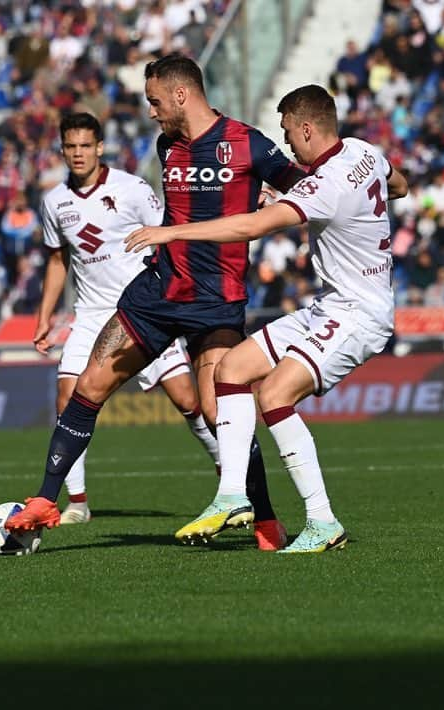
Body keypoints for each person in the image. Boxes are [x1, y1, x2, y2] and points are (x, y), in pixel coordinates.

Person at [5, 53, 307, 551]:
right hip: (158, 292)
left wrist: (281, 204)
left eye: (155, 100)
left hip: (217, 300)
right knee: (89, 385)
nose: (151, 111)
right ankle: (45, 499)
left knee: (216, 409)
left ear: (181, 94)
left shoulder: (248, 144)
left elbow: (305, 189)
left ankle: (266, 520)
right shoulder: (167, 145)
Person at [124, 84, 409, 553]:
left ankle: (322, 522)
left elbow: (251, 227)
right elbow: (399, 185)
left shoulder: (327, 183)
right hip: (331, 305)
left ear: (306, 128)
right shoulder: (364, 152)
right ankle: (233, 495)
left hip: (359, 314)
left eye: (289, 134)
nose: (288, 146)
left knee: (275, 395)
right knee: (232, 370)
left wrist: (171, 231)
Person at [33, 112, 221, 525]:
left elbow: (170, 235)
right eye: (71, 147)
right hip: (90, 314)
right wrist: (45, 316)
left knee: (189, 402)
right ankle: (76, 502)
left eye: (86, 145)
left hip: (143, 309)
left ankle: (228, 475)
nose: (78, 153)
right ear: (62, 150)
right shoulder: (54, 202)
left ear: (100, 147)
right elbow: (57, 260)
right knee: (68, 399)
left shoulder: (132, 189)